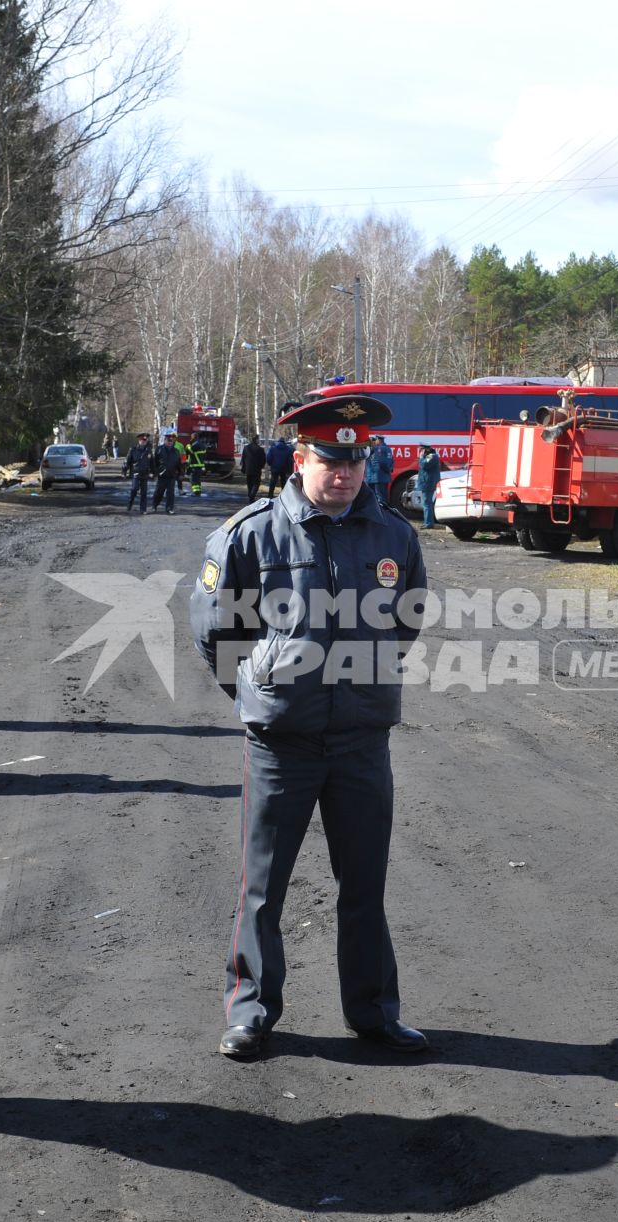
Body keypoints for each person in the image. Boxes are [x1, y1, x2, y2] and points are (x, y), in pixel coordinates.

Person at [190, 395, 429, 1061]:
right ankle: (251, 1010)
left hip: (361, 738)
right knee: (262, 887)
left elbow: (406, 620)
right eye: (331, 458)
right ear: (300, 458)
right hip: (282, 742)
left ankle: (374, 1011)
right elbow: (216, 631)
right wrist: (259, 686)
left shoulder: (394, 536)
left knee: (365, 884)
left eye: (357, 458)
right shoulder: (252, 532)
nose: (346, 472)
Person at [124, 432, 154, 513]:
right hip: (136, 473)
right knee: (134, 489)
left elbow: (152, 462)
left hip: (145, 473)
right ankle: (130, 503)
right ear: (139, 440)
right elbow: (127, 461)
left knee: (144, 492)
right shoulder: (133, 450)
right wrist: (124, 471)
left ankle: (143, 509)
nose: (144, 442)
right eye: (142, 440)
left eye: (145, 440)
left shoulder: (149, 451)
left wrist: (153, 472)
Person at [152, 432, 181, 513]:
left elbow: (179, 463)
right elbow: (155, 462)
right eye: (168, 440)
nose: (170, 442)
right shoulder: (159, 449)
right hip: (162, 475)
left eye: (171, 441)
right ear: (164, 440)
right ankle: (154, 505)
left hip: (172, 475)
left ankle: (169, 508)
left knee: (170, 493)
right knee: (159, 492)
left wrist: (181, 473)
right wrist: (155, 473)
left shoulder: (176, 451)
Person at [416, 444, 442, 528]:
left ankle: (428, 523)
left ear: (426, 450)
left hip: (428, 483)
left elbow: (424, 465)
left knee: (427, 503)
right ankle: (427, 522)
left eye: (422, 450)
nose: (421, 452)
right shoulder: (430, 456)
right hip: (427, 483)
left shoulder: (432, 457)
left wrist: (421, 457)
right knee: (427, 503)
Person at [365, 435, 395, 507]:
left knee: (379, 498)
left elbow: (383, 462)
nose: (374, 442)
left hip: (377, 477)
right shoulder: (375, 449)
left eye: (375, 440)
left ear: (379, 440)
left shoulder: (380, 449)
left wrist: (386, 471)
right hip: (376, 478)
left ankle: (382, 515)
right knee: (378, 498)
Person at [241, 433, 267, 502]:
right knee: (256, 483)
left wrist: (243, 468)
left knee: (249, 482)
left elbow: (243, 458)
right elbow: (263, 460)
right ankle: (252, 495)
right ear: (257, 440)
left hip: (248, 469)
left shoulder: (246, 448)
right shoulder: (260, 449)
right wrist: (261, 466)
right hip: (257, 469)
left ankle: (250, 494)